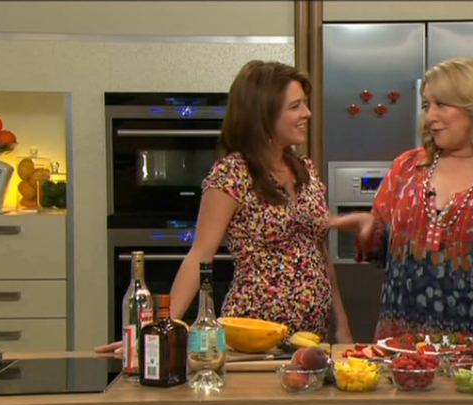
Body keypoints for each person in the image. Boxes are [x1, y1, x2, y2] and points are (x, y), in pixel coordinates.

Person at [96, 60, 353, 355]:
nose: (307, 113)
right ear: (264, 115)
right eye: (295, 106)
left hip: (311, 336)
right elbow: (200, 255)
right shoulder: (232, 174)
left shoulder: (305, 169)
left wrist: (342, 325)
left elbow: (319, 251)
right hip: (252, 339)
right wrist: (159, 332)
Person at [329, 57, 473, 344]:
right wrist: (372, 232)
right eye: (427, 105)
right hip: (406, 354)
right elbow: (383, 252)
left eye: (442, 105)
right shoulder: (406, 170)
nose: (430, 117)